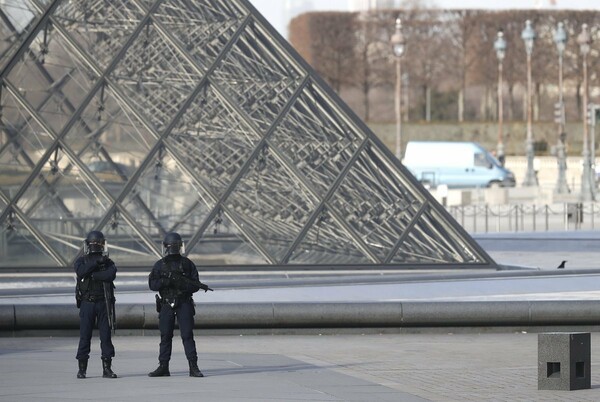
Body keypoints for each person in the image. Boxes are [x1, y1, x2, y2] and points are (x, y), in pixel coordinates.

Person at [148, 232, 213, 378]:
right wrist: (166, 282)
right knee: (168, 336)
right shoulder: (164, 264)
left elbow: (195, 285)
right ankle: (165, 366)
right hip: (168, 303)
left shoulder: (185, 264)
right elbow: (153, 284)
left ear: (165, 247)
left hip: (183, 302)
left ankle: (192, 366)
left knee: (185, 335)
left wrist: (182, 285)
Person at [74, 230, 117, 379]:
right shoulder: (83, 261)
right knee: (85, 336)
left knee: (105, 337)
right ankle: (82, 369)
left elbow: (110, 275)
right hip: (88, 302)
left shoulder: (107, 262)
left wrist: (92, 274)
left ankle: (107, 368)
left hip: (103, 302)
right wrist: (95, 264)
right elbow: (80, 272)